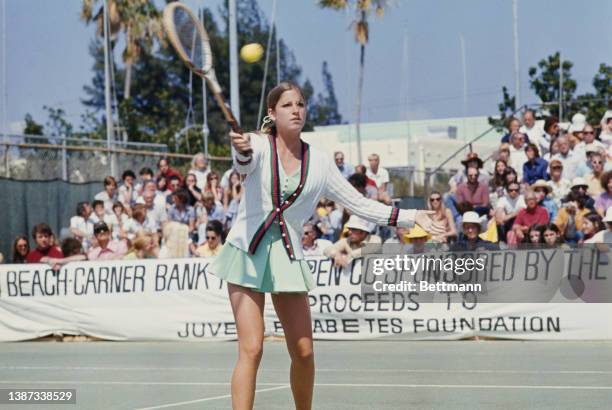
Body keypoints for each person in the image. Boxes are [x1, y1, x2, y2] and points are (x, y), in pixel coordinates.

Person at [206, 82, 442, 409]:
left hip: (288, 257)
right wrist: (240, 150)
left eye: (300, 104)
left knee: (304, 352)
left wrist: (411, 216)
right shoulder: (258, 145)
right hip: (246, 252)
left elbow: (359, 204)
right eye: (287, 105)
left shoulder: (319, 161)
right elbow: (243, 164)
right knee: (252, 348)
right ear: (272, 113)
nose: (296, 110)